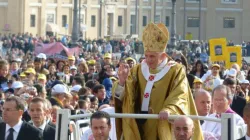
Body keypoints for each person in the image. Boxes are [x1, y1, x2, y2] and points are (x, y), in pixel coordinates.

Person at [113, 23, 203, 140]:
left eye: (152, 56)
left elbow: (180, 94)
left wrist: (169, 109)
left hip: (163, 121)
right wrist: (122, 82)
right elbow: (126, 95)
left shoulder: (175, 70)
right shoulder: (137, 69)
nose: (148, 60)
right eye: (146, 56)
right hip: (139, 124)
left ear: (163, 55)